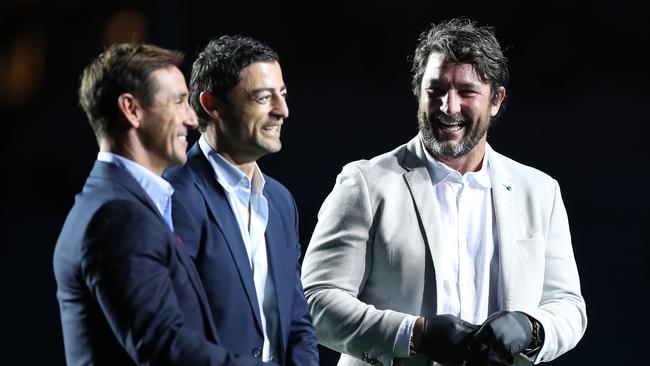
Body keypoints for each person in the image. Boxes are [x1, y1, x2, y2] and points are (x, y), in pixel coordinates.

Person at [301, 18, 587, 366]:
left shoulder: (540, 191)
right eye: (435, 90)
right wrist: (415, 333)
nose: (448, 107)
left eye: (467, 92)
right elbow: (316, 301)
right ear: (419, 93)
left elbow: (569, 306)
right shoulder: (364, 182)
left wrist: (531, 328)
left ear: (496, 100)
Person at [53, 42, 274, 366]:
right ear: (132, 110)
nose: (191, 119)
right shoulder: (118, 216)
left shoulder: (116, 204)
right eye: (179, 102)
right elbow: (165, 346)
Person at [165, 35, 319, 365]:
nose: (282, 111)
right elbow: (176, 331)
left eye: (283, 95)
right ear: (211, 105)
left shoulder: (280, 201)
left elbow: (298, 323)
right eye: (264, 97)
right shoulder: (175, 195)